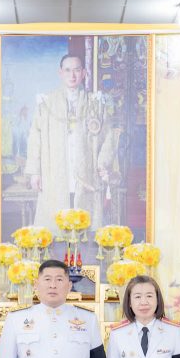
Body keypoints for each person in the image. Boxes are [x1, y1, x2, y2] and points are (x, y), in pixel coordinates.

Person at [25, 53, 116, 229]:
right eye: (67, 70)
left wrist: (103, 164)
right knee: (55, 224)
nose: (72, 75)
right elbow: (35, 138)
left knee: (85, 225)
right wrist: (35, 172)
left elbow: (108, 136)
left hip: (86, 171)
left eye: (77, 70)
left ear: (84, 73)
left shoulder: (95, 103)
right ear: (60, 73)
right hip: (55, 171)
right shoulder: (46, 103)